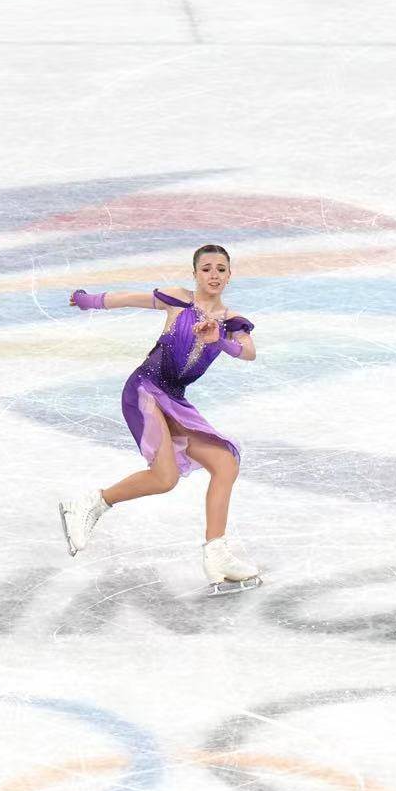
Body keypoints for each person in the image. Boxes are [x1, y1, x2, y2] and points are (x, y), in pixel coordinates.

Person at [59, 244, 261, 592]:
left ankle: (216, 553)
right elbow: (127, 299)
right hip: (145, 390)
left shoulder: (231, 322)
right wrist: (88, 300)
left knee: (223, 463)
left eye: (221, 269)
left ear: (230, 275)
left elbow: (249, 353)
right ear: (195, 273)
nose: (214, 275)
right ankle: (91, 502)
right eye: (207, 268)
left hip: (175, 400)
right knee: (166, 476)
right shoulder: (176, 300)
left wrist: (220, 341)